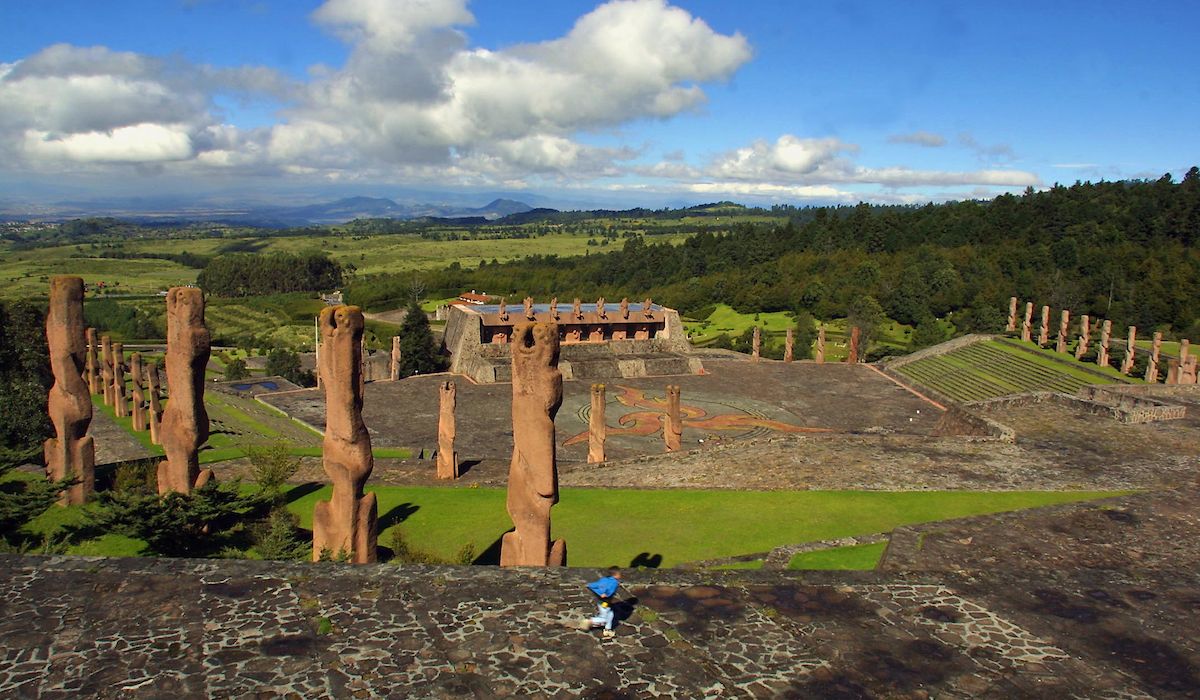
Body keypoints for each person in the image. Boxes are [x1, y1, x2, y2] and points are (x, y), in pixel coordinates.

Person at [580, 567, 622, 638]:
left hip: (600, 601)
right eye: (619, 574)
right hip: (606, 602)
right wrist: (606, 594)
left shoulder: (604, 579)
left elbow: (594, 585)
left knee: (610, 614)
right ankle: (590, 621)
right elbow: (610, 591)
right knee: (604, 618)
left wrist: (594, 588)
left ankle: (607, 629)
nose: (620, 575)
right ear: (616, 575)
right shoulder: (614, 582)